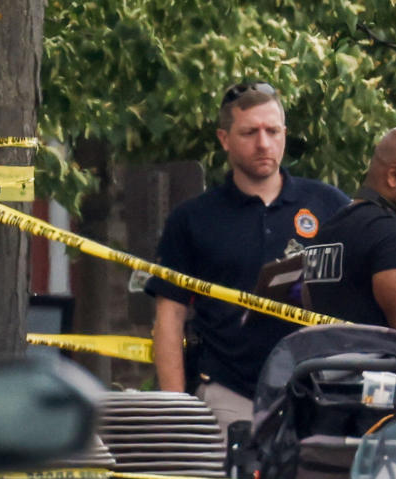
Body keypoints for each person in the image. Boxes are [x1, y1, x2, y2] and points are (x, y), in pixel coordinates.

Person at [145, 81, 350, 430]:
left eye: (272, 131)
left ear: (285, 133)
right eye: (249, 132)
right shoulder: (192, 219)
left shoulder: (329, 205)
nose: (263, 143)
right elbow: (169, 318)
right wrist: (176, 410)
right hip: (230, 395)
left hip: (322, 392)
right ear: (224, 139)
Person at [302, 126, 396, 345]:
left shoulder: (324, 234)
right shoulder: (394, 239)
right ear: (394, 176)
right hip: (381, 377)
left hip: (320, 375)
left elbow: (310, 308)